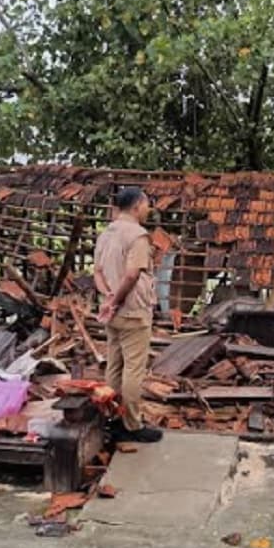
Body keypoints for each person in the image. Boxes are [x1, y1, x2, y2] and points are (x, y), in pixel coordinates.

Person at [95, 187, 162, 443]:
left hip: (110, 312)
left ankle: (110, 417)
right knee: (134, 369)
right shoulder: (137, 236)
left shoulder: (107, 233)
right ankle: (131, 425)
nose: (148, 210)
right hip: (132, 311)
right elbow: (133, 274)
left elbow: (98, 273)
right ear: (136, 207)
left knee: (114, 365)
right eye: (146, 205)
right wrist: (118, 298)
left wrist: (109, 299)